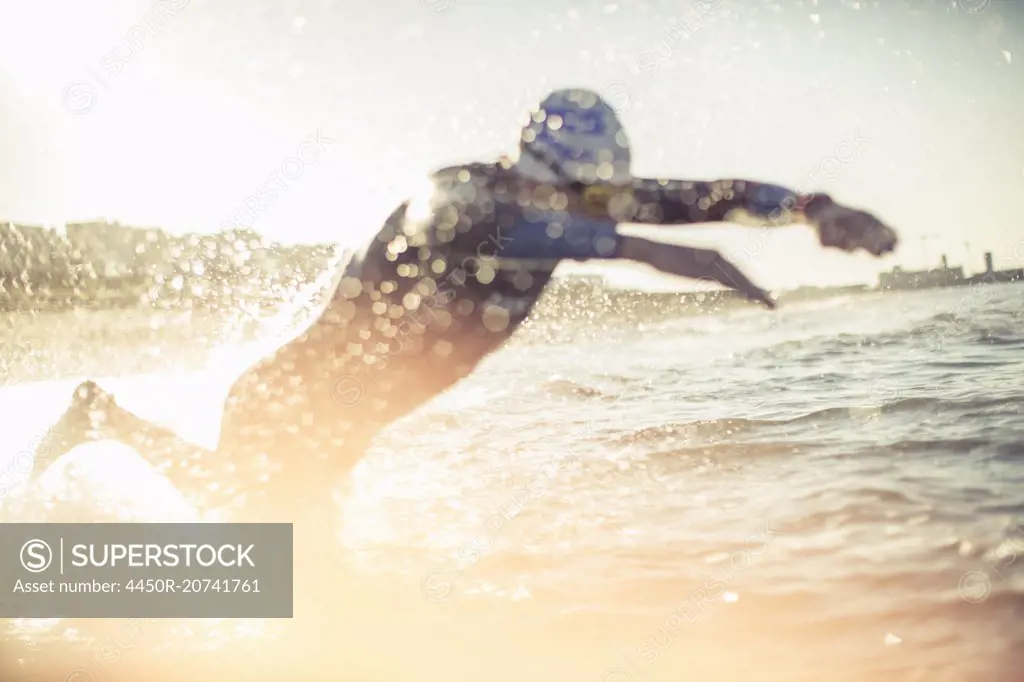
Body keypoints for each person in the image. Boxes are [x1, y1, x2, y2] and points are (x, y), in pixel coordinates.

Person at [28, 87, 897, 522]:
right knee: (256, 540)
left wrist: (814, 208)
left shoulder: (588, 208)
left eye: (600, 197)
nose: (587, 210)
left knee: (306, 588)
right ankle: (100, 415)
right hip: (288, 399)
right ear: (532, 170)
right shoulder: (452, 197)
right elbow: (531, 236)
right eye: (576, 196)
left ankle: (101, 424)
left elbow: (714, 193)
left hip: (344, 425)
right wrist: (661, 254)